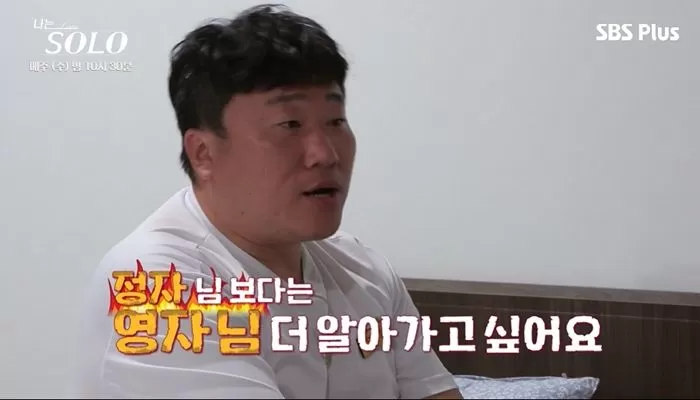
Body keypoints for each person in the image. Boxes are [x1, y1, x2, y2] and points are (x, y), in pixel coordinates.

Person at [77, 4, 461, 399]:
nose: (325, 154)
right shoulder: (156, 285)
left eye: (336, 121)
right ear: (204, 154)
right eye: (289, 125)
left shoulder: (365, 270)